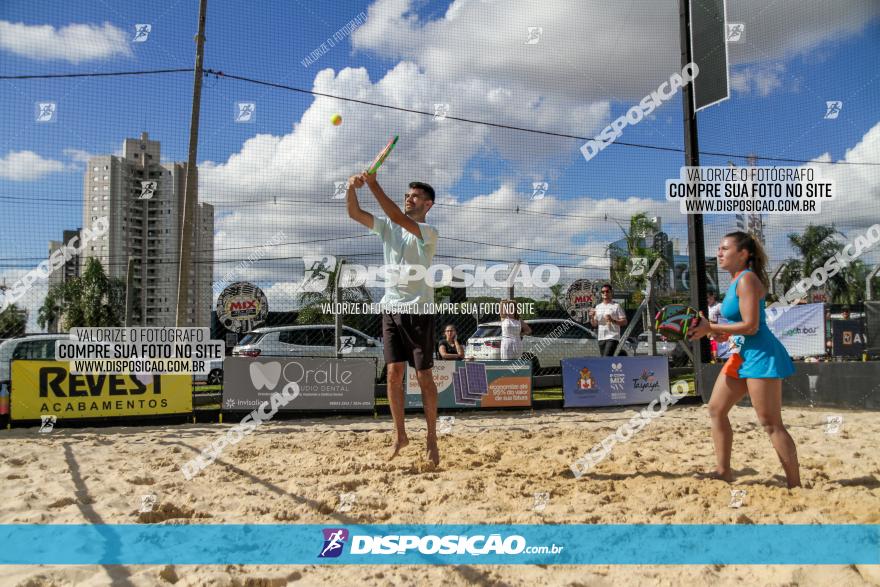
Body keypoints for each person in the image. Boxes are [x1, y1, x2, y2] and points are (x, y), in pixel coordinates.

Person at [688, 231, 800, 488]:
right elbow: (744, 326)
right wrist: (722, 333)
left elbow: (751, 326)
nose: (719, 252)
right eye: (719, 248)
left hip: (761, 354)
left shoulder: (747, 279)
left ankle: (795, 485)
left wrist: (711, 329)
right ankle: (723, 471)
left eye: (725, 248)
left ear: (743, 254)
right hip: (743, 354)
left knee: (771, 423)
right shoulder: (737, 280)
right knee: (716, 409)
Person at [346, 171, 441, 466]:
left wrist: (373, 184)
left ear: (428, 205)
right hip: (390, 308)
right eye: (406, 196)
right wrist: (352, 188)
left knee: (423, 376)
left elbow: (400, 219)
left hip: (418, 311)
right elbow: (354, 213)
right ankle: (400, 436)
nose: (408, 199)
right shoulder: (388, 227)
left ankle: (431, 438)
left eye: (414, 197)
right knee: (393, 374)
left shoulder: (427, 231)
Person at [589, 284, 627, 356]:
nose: (605, 293)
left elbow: (624, 322)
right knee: (605, 360)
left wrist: (612, 320)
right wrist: (592, 317)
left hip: (612, 337)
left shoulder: (616, 306)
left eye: (607, 291)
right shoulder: (598, 307)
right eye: (603, 292)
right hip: (601, 337)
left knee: (606, 357)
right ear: (601, 294)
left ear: (611, 292)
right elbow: (594, 324)